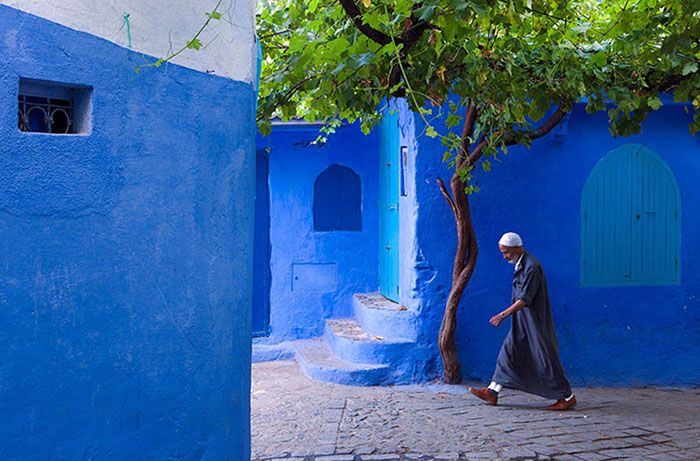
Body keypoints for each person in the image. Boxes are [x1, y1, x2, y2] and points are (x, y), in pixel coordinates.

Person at [468, 232, 576, 411]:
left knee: (545, 358)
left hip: (535, 322)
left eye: (507, 252)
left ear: (518, 248)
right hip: (522, 322)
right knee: (509, 352)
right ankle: (492, 392)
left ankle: (567, 397)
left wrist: (503, 315)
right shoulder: (521, 264)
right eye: (503, 252)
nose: (504, 257)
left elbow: (525, 299)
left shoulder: (532, 267)